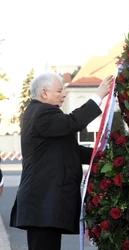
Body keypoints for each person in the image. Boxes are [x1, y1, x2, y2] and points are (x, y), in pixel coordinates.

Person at [10, 72, 114, 250]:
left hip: (46, 204)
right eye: (59, 91)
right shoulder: (41, 113)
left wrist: (107, 154)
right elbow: (73, 122)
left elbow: (73, 151)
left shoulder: (44, 115)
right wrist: (98, 96)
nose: (64, 95)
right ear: (44, 93)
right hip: (42, 203)